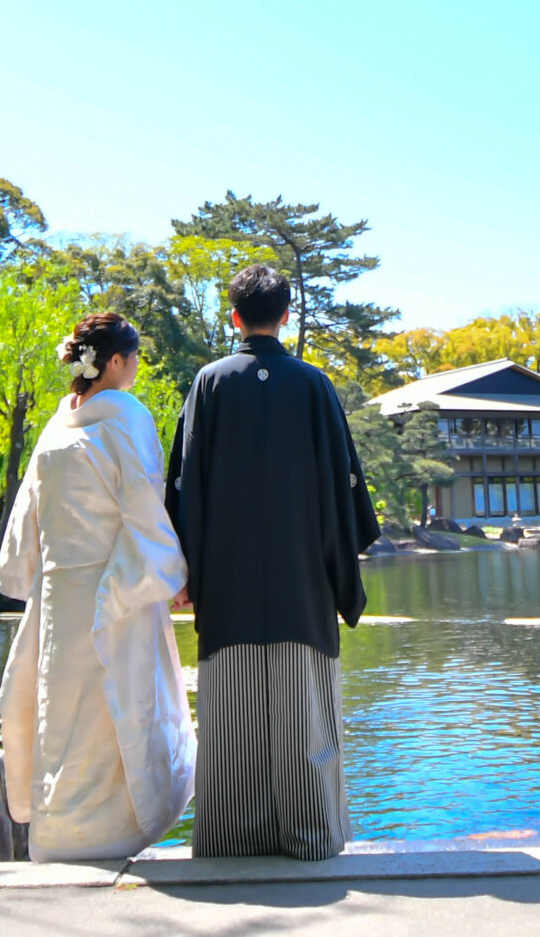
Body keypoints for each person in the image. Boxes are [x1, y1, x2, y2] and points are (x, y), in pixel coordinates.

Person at [164, 264, 379, 859]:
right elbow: (344, 483)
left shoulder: (209, 383)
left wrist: (187, 569)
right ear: (285, 316)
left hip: (228, 581)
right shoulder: (313, 384)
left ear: (235, 316)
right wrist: (340, 568)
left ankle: (232, 840)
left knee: (231, 723)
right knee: (307, 716)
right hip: (303, 581)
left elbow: (185, 484)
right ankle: (312, 836)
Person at [0, 311, 195, 862]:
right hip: (111, 586)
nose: (137, 367)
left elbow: (29, 515)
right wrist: (170, 573)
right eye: (134, 357)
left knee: (61, 709)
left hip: (59, 594)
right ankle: (114, 833)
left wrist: (29, 574)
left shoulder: (55, 428)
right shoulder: (127, 417)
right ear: (115, 361)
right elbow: (143, 504)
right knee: (117, 703)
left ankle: (59, 835)